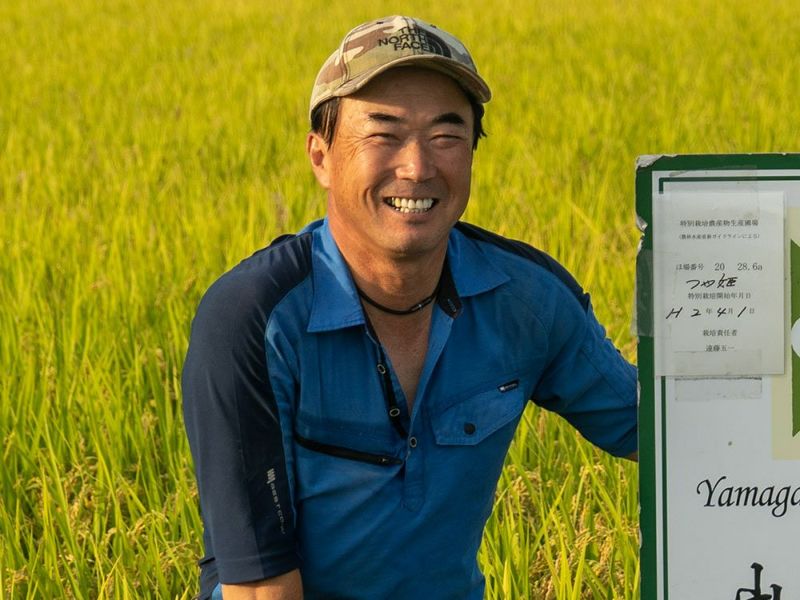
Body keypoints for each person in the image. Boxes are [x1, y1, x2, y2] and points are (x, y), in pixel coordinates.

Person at [182, 15, 637, 600]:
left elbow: (656, 429)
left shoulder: (525, 300)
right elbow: (260, 588)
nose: (418, 167)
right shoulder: (253, 320)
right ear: (321, 157)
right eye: (384, 134)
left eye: (446, 135)